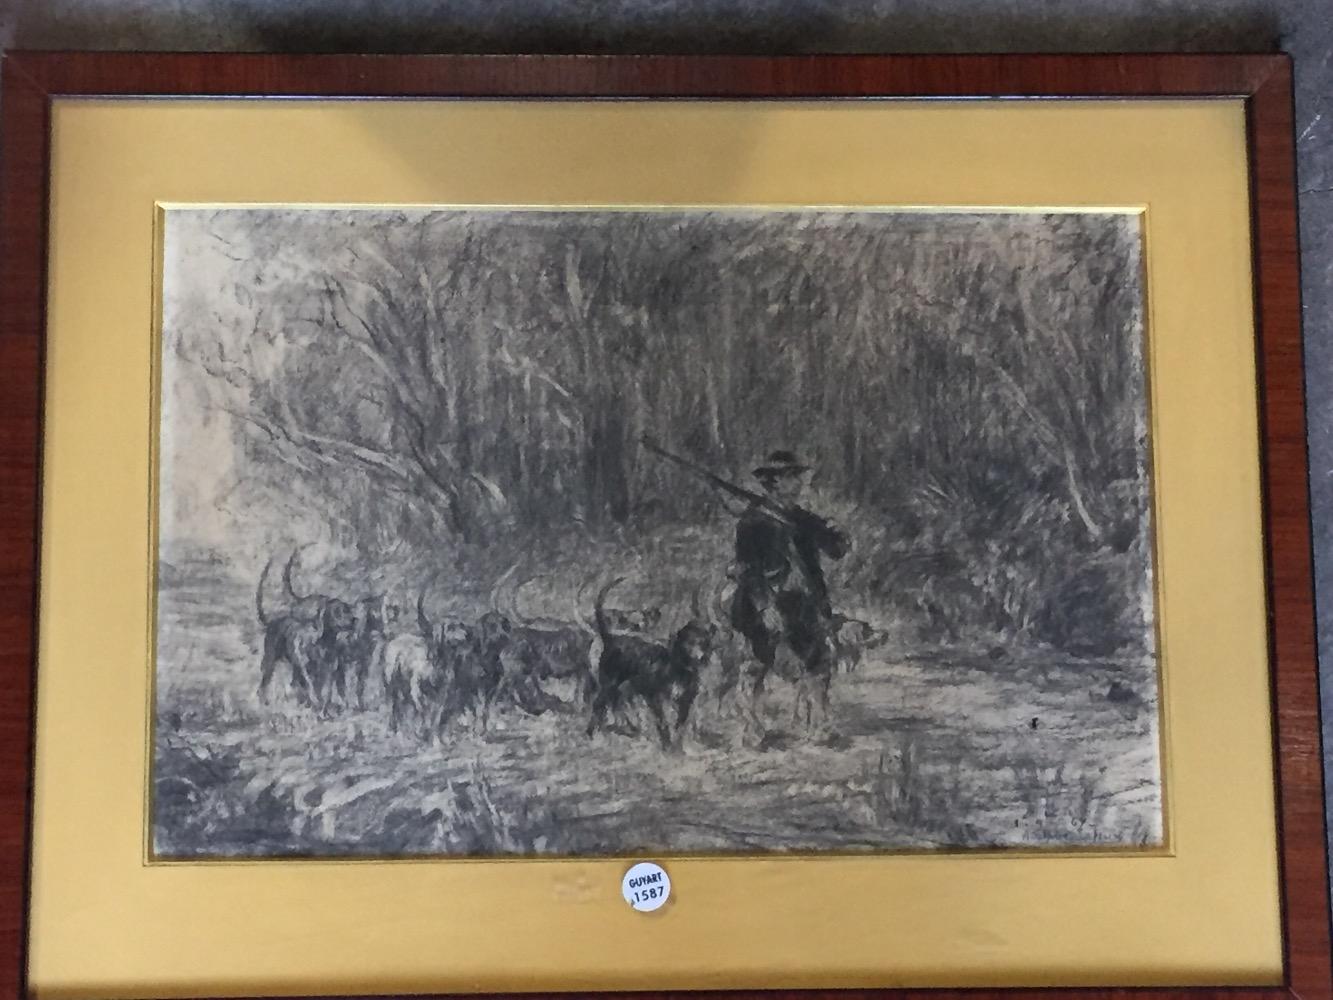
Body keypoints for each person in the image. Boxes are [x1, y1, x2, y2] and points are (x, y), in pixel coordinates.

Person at [729, 450, 848, 716]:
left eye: (797, 476)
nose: (798, 483)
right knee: (758, 665)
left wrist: (839, 535)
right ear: (774, 482)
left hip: (805, 604)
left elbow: (835, 550)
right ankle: (752, 723)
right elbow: (748, 570)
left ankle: (818, 722)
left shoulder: (804, 519)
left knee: (819, 663)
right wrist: (764, 607)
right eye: (791, 477)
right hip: (766, 604)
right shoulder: (752, 522)